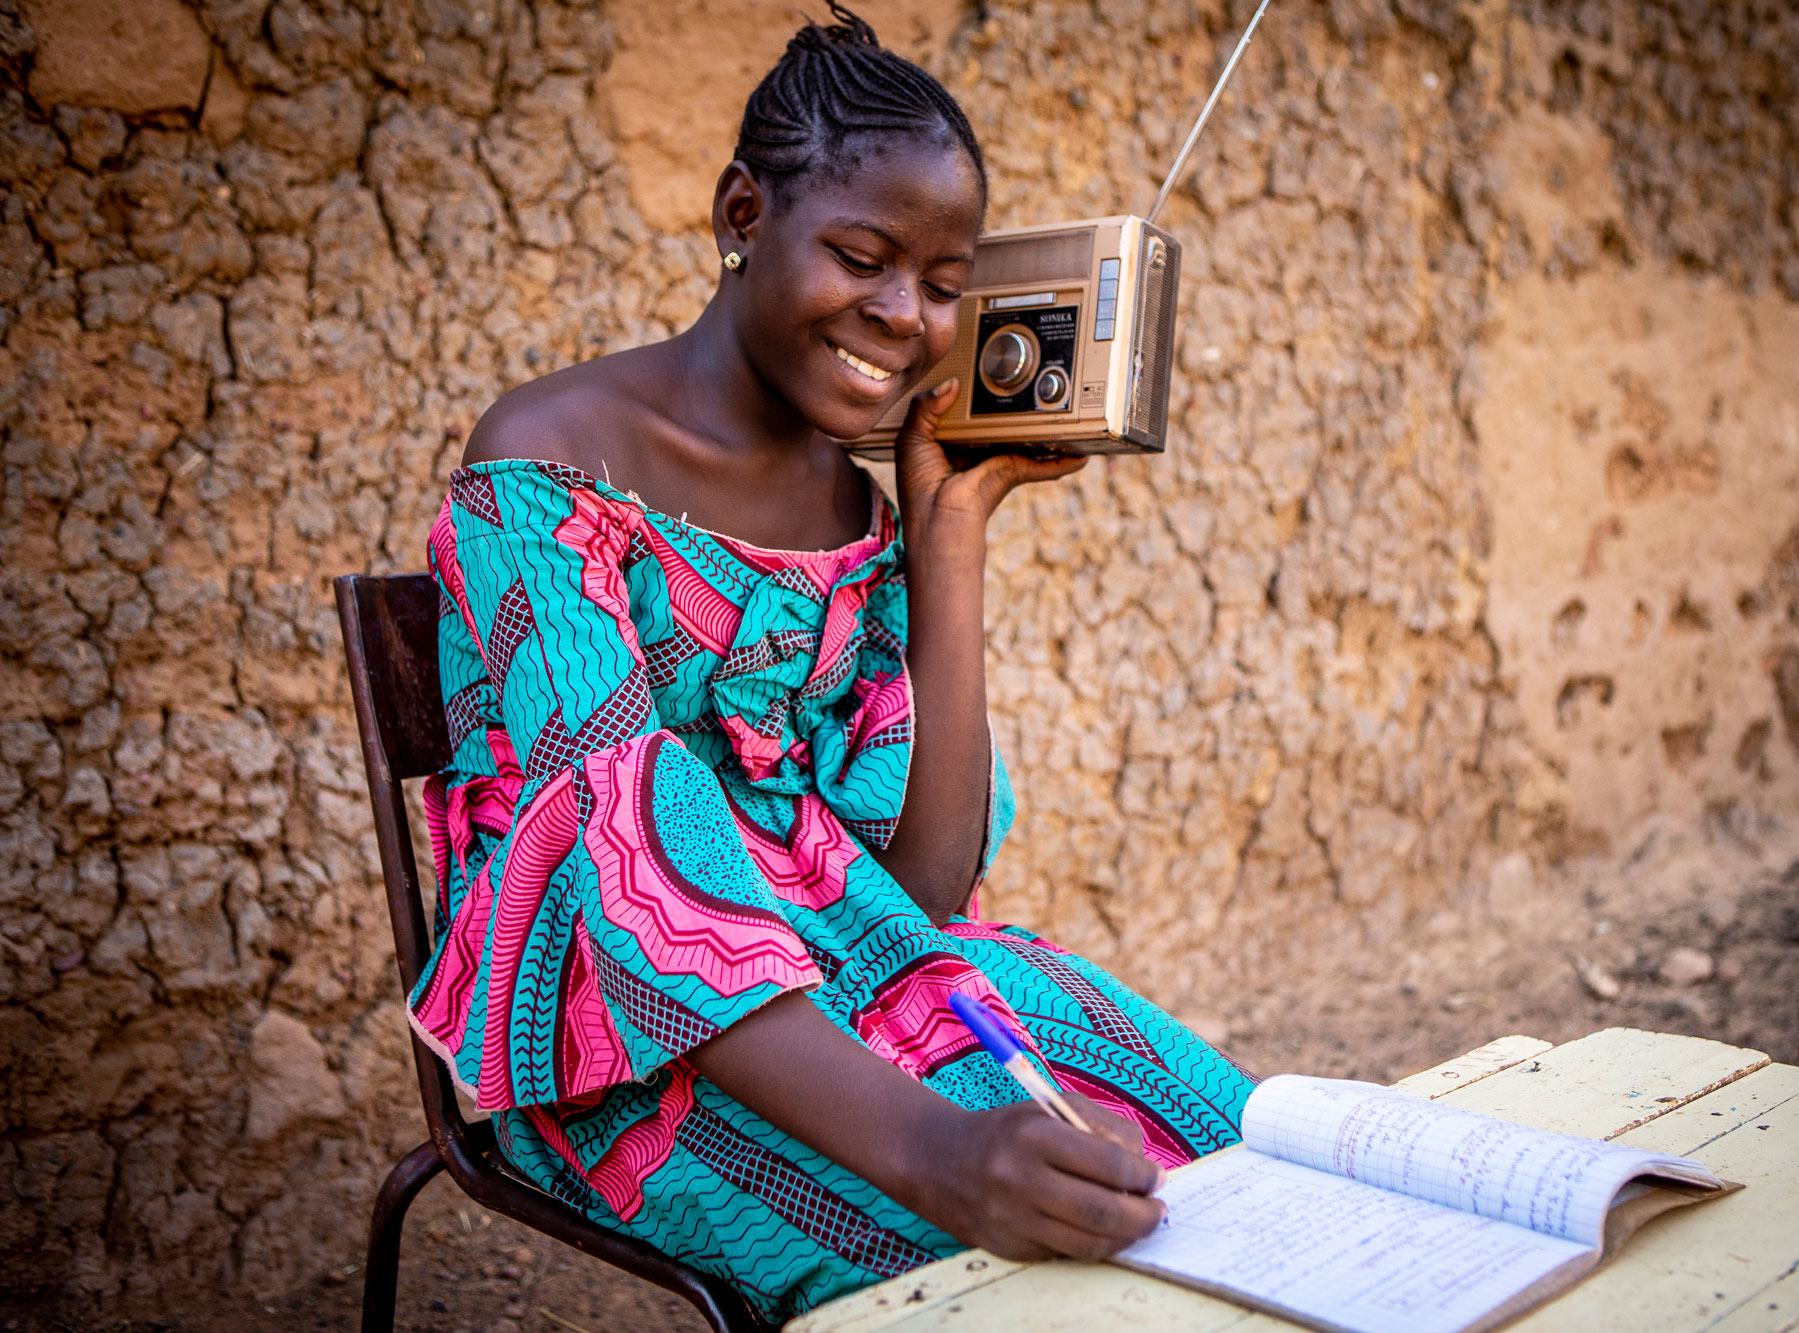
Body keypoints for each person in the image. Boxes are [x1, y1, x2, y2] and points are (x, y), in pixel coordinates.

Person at [415, 5, 1253, 1321]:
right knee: (1028, 1287)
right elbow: (616, 855)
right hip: (631, 1055)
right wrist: (940, 1153)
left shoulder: (855, 510)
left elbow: (920, 887)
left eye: (942, 283)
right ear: (744, 210)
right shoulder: (546, 470)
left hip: (869, 976)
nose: (905, 317)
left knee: (1226, 1153)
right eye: (862, 256)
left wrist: (947, 537)